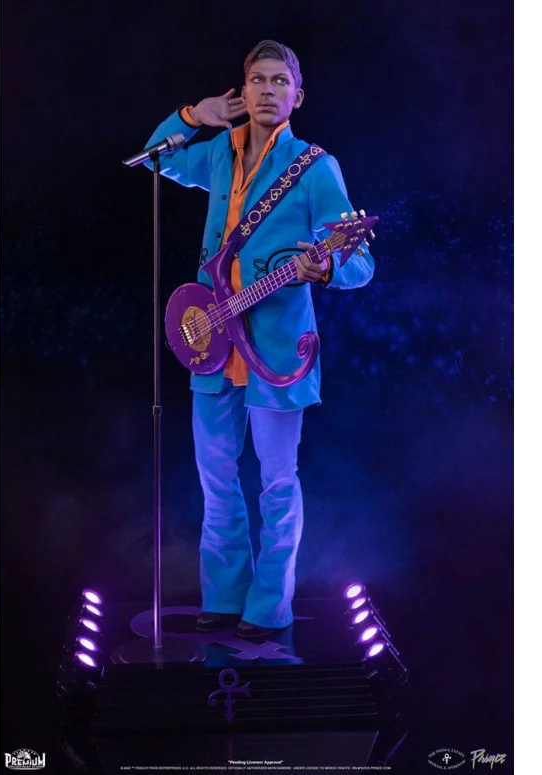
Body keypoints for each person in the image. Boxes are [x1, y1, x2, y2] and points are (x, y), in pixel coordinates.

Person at [145, 40, 375, 640]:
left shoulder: (315, 167)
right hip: (211, 341)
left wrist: (325, 267)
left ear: (297, 96)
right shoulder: (218, 153)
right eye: (257, 80)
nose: (268, 90)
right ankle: (224, 598)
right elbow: (153, 158)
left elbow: (361, 261)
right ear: (242, 92)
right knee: (216, 479)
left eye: (279, 81)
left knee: (277, 482)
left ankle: (269, 608)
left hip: (276, 348)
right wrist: (193, 116)